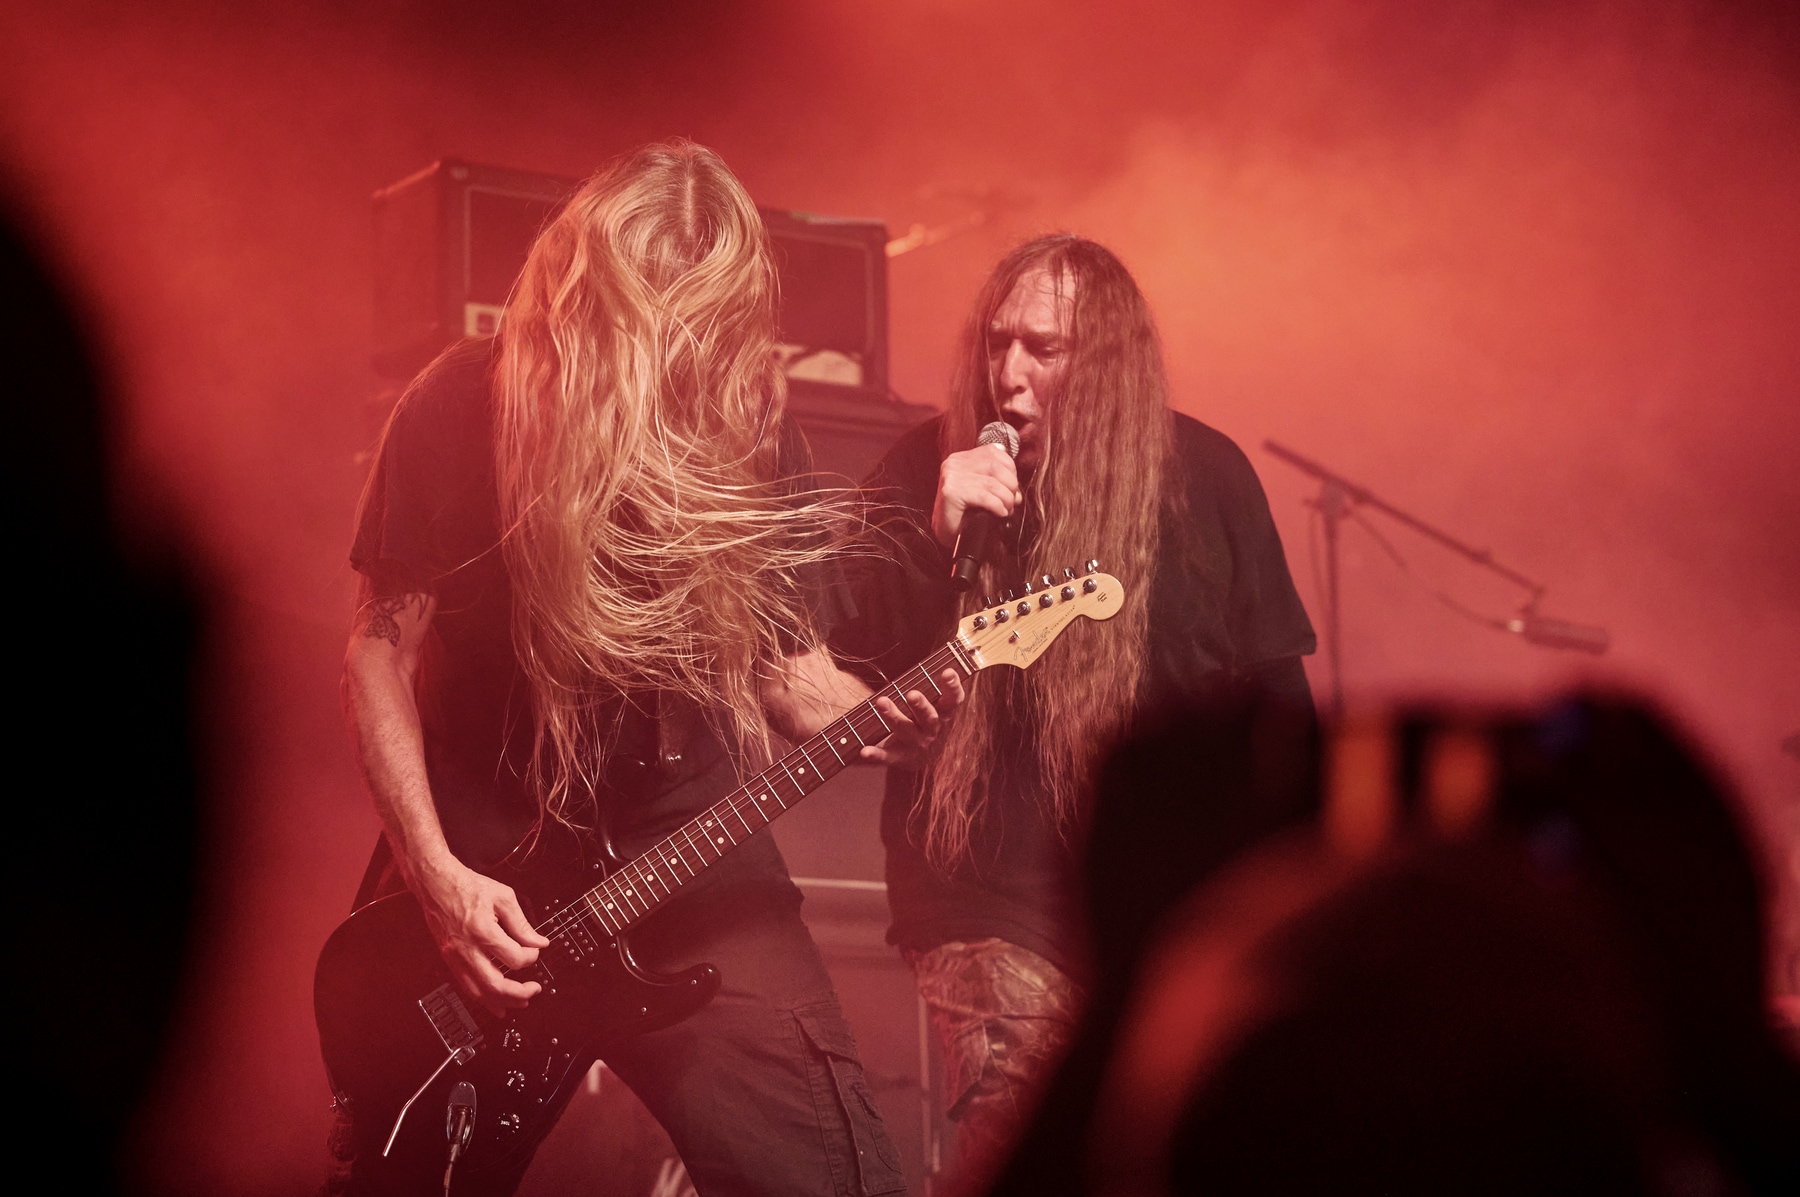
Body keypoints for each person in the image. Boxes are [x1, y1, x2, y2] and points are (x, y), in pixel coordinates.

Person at [331, 140, 961, 1197]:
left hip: (690, 866)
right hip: (493, 871)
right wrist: (436, 879)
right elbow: (377, 651)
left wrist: (887, 716)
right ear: (588, 296)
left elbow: (790, 678)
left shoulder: (749, 435)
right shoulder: (461, 403)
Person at [832, 234, 1317, 1189]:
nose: (1009, 374)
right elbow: (842, 678)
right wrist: (935, 535)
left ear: (1104, 360)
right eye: (997, 342)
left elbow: (1279, 706)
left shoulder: (1208, 477)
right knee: (1030, 1140)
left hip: (1165, 903)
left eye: (1043, 349)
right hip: (986, 897)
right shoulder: (922, 470)